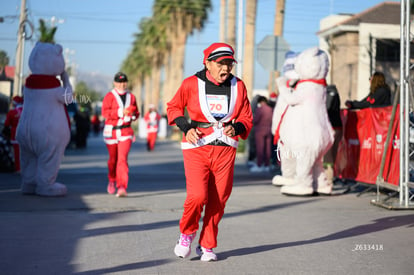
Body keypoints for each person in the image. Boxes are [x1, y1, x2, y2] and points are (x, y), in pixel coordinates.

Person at [167, 42, 252, 261]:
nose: (226, 68)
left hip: (226, 149)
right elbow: (174, 107)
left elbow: (246, 116)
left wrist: (238, 127)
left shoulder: (238, 86)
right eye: (221, 63)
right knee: (197, 196)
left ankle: (207, 245)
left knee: (219, 199)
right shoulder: (190, 84)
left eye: (229, 64)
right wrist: (186, 127)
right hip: (197, 147)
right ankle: (186, 233)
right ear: (207, 63)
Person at [102, 72, 139, 197]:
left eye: (124, 82)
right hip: (111, 131)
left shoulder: (132, 97)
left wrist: (132, 114)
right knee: (113, 160)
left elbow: (136, 113)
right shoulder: (109, 96)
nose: (122, 84)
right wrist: (120, 112)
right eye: (119, 82)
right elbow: (105, 113)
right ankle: (112, 179)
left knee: (122, 159)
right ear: (114, 83)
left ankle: (122, 186)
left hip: (126, 131)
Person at [324, 84, 343, 183]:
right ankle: (331, 176)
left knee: (327, 154)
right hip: (337, 126)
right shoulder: (335, 93)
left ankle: (328, 179)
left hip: (331, 127)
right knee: (333, 153)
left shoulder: (329, 93)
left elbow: (327, 107)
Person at [250, 96, 273, 172]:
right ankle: (267, 165)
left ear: (260, 102)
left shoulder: (260, 109)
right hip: (269, 130)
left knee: (260, 148)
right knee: (268, 149)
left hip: (260, 130)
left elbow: (255, 120)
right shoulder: (270, 109)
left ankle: (259, 165)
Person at [4, 96, 23, 172]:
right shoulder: (27, 110)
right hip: (27, 133)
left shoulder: (12, 112)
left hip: (15, 133)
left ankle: (18, 168)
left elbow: (7, 123)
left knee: (16, 152)